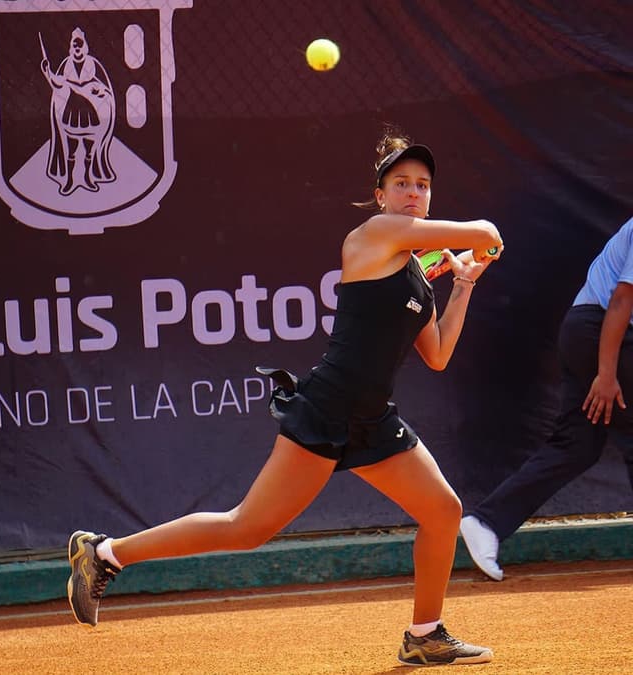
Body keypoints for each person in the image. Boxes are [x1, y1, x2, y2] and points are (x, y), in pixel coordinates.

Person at [67, 129, 503, 667]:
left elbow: (437, 354)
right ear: (382, 195)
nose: (414, 193)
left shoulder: (416, 272)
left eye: (422, 185)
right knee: (247, 527)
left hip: (372, 417)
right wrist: (481, 236)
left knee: (442, 510)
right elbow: (483, 229)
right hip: (327, 408)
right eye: (402, 184)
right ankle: (105, 554)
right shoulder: (374, 234)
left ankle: (425, 634)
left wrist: (462, 286)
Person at [460, 216, 633, 581]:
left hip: (585, 331)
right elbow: (621, 300)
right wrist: (605, 374)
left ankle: (485, 523)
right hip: (598, 331)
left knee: (578, 444)